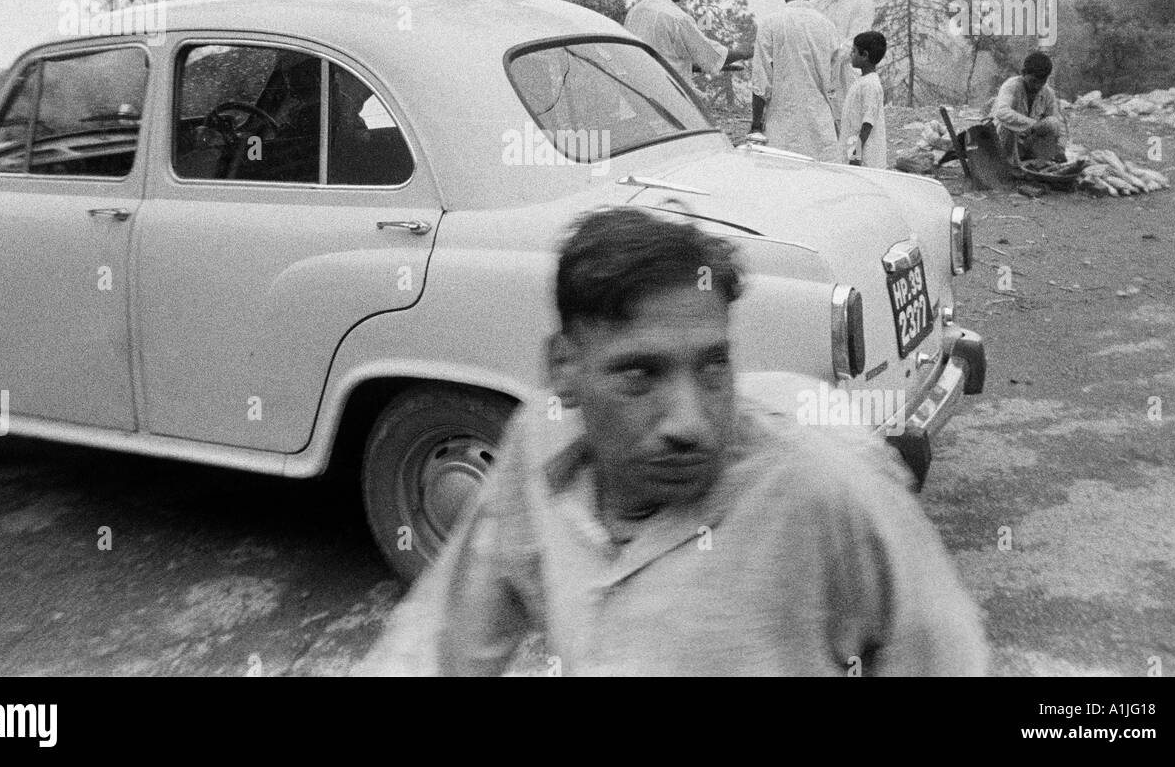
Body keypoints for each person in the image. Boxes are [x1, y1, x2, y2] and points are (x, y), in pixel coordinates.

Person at [357, 207, 988, 676]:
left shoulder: (826, 489)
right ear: (565, 369)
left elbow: (944, 658)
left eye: (712, 366)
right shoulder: (536, 451)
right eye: (640, 374)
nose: (689, 422)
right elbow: (440, 647)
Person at [750, 0, 839, 161]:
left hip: (782, 133)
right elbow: (833, 85)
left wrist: (755, 126)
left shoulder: (771, 24)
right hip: (821, 132)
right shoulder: (828, 27)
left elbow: (761, 83)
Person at [624, 0, 750, 82]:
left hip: (637, 95)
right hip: (667, 97)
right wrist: (743, 52)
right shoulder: (676, 18)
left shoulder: (633, 13)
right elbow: (711, 57)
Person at [811, 0, 877, 122]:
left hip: (847, 80)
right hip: (819, 80)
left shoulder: (861, 2)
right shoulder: (818, 4)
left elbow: (854, 45)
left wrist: (824, 54)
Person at [992, 50, 1067, 166]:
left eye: (1042, 82)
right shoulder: (1011, 86)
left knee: (1053, 123)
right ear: (1023, 73)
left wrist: (1061, 149)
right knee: (1005, 124)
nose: (1037, 86)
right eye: (1033, 81)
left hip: (1028, 143)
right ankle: (1007, 164)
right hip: (1006, 142)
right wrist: (1032, 125)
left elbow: (1058, 123)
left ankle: (1038, 161)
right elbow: (1001, 113)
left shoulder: (1048, 92)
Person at [839, 31, 888, 169]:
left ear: (865, 55)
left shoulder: (871, 85)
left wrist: (856, 154)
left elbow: (868, 123)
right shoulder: (862, 81)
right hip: (853, 148)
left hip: (865, 158)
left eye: (854, 51)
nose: (850, 55)